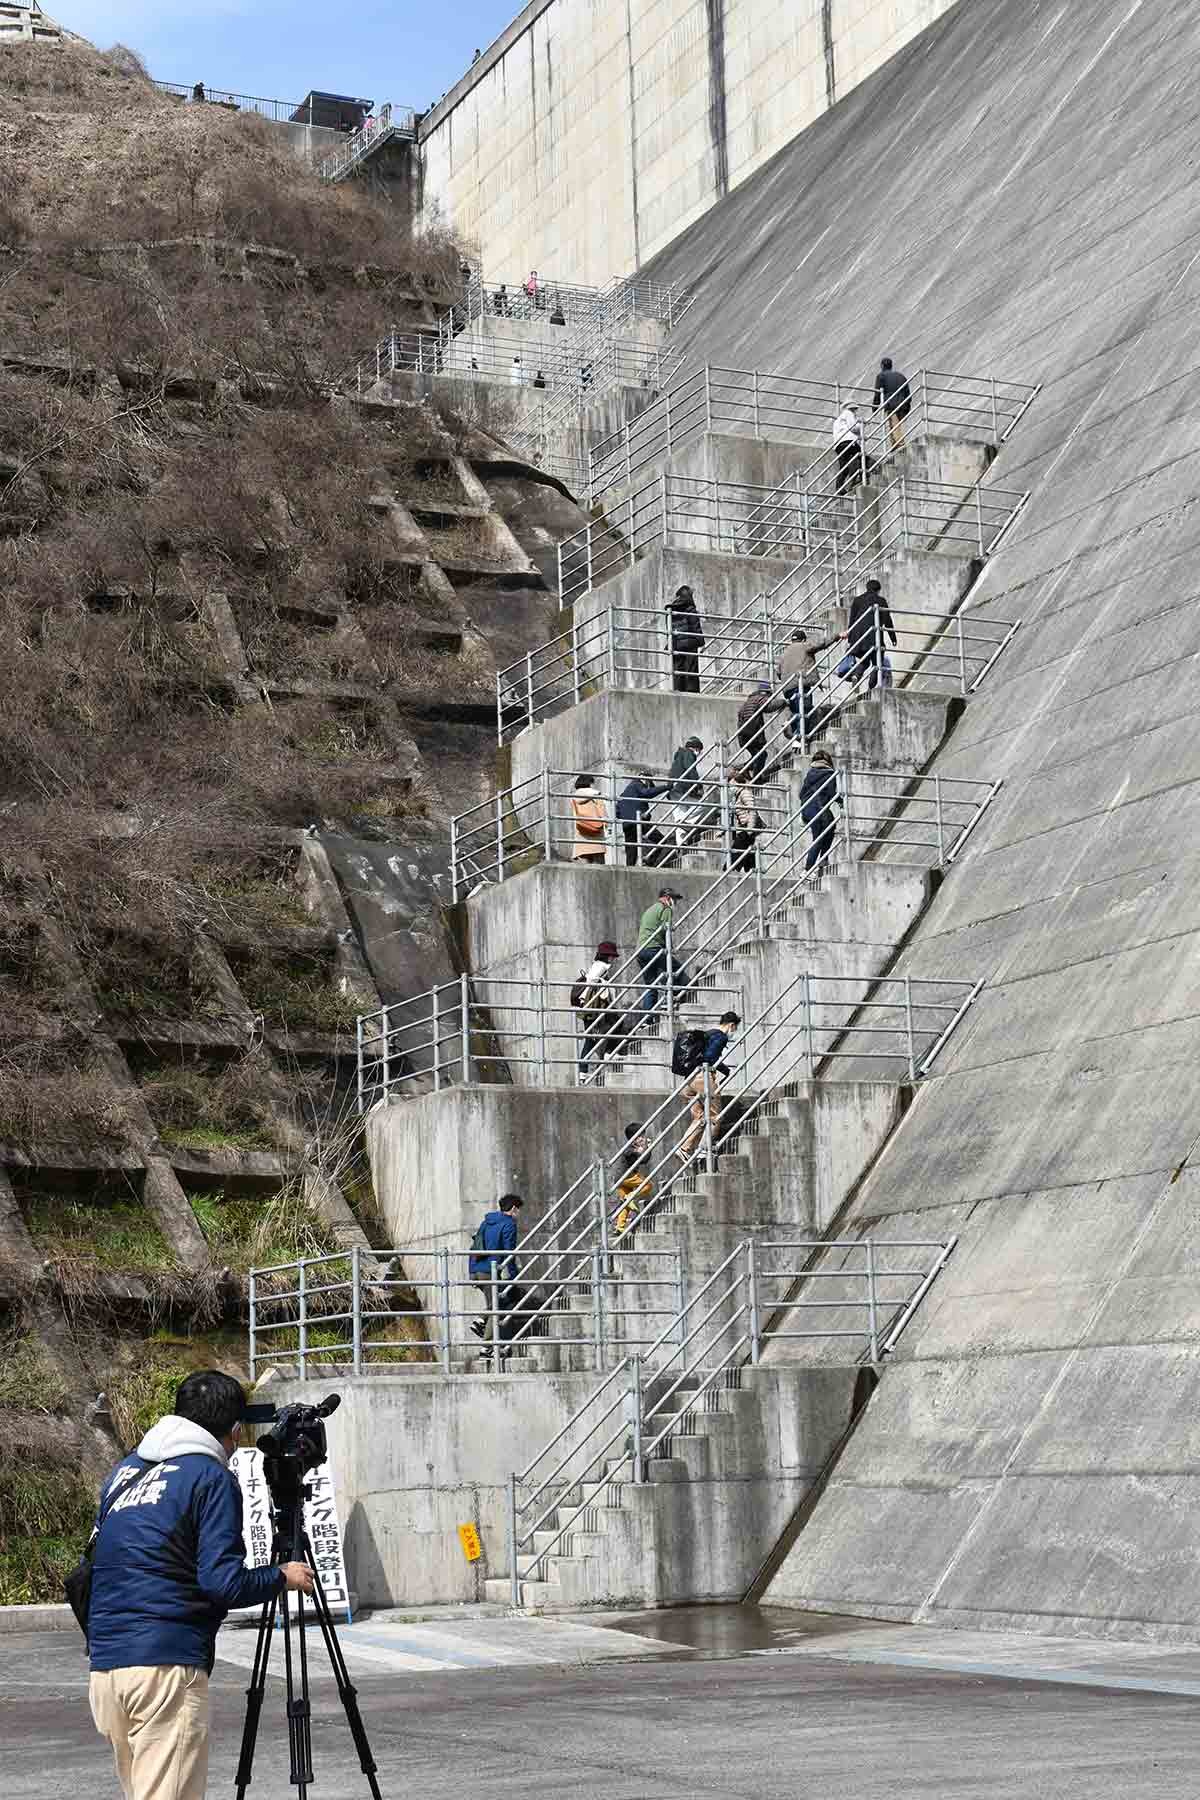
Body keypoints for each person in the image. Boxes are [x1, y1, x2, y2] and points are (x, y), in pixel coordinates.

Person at [87, 1371, 313, 1800]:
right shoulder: (209, 1478)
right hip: (165, 1669)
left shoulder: (124, 1472)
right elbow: (222, 1583)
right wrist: (282, 1576)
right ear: (233, 1430)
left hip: (107, 1670)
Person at [677, 1013, 740, 1163]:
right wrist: (716, 1069)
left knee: (699, 1118)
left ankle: (684, 1149)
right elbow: (710, 1057)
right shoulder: (721, 1037)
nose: (733, 1031)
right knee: (715, 1116)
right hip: (703, 1077)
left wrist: (725, 1070)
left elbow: (709, 1056)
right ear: (731, 1025)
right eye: (735, 1028)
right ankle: (704, 1149)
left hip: (689, 1079)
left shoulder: (708, 1034)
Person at [468, 1193, 522, 1331]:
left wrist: (472, 1271)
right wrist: (514, 1276)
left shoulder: (486, 1222)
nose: (519, 1214)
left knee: (496, 1303)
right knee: (497, 1306)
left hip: (477, 1269)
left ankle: (486, 1338)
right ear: (514, 1208)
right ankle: (482, 1328)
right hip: (489, 1271)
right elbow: (509, 1253)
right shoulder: (509, 1224)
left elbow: (475, 1245)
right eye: (519, 1210)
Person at [777, 627, 841, 741]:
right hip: (801, 685)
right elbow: (822, 643)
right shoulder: (804, 646)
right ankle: (799, 738)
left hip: (787, 688)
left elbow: (778, 672)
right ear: (803, 640)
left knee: (797, 712)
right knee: (805, 712)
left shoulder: (784, 653)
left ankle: (793, 730)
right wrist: (837, 635)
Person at [637, 888, 691, 1011]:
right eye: (675, 900)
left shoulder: (650, 909)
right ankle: (672, 1003)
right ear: (668, 898)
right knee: (677, 972)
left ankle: (647, 1021)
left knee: (651, 986)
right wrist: (671, 949)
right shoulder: (666, 909)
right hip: (654, 949)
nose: (675, 903)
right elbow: (666, 931)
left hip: (641, 951)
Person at [573, 940, 620, 1076]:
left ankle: (584, 1069)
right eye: (611, 956)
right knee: (612, 1025)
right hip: (595, 1006)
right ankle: (606, 1054)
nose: (613, 959)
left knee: (593, 1036)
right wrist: (604, 983)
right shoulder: (602, 966)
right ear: (606, 955)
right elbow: (593, 980)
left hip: (591, 1006)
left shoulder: (597, 965)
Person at [844, 578, 897, 690]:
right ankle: (871, 689)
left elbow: (852, 620)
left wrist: (850, 640)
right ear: (878, 590)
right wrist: (893, 637)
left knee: (865, 660)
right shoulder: (881, 601)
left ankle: (856, 676)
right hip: (874, 637)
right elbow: (887, 620)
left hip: (859, 637)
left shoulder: (857, 600)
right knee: (877, 664)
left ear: (867, 588)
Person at [799, 749, 841, 872]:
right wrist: (842, 801)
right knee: (819, 837)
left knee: (830, 826)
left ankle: (823, 859)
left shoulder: (810, 773)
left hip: (807, 809)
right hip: (819, 808)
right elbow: (832, 793)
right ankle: (808, 869)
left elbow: (801, 794)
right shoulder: (829, 774)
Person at [617, 769, 668, 865]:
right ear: (644, 778)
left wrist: (629, 814)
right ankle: (649, 861)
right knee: (661, 840)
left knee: (631, 851)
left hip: (627, 825)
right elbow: (647, 793)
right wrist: (666, 787)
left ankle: (630, 871)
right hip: (639, 822)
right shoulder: (637, 785)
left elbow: (617, 812)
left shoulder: (624, 794)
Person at [666, 735, 705, 856]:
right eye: (700, 750)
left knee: (679, 816)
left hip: (672, 788)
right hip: (681, 788)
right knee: (701, 805)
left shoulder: (679, 756)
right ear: (696, 748)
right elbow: (691, 769)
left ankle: (681, 845)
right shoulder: (689, 753)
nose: (699, 753)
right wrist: (699, 786)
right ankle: (687, 823)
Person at [737, 682, 782, 783]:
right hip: (752, 733)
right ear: (766, 693)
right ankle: (755, 778)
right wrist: (783, 702)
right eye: (770, 695)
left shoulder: (749, 700)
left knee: (757, 755)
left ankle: (745, 769)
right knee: (761, 755)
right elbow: (769, 707)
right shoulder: (760, 698)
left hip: (743, 734)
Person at [614, 1123, 653, 1235]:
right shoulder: (629, 1147)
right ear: (633, 1138)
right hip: (626, 1176)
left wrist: (648, 1148)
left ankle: (620, 1227)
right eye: (640, 1136)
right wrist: (638, 1151)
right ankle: (630, 1196)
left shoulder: (637, 1147)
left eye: (643, 1136)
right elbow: (627, 1152)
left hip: (622, 1180)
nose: (643, 1138)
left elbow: (644, 1160)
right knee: (648, 1185)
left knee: (625, 1204)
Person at [666, 584, 704, 692]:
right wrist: (701, 642)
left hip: (676, 645)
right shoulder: (690, 609)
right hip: (690, 644)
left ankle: (678, 692)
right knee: (691, 672)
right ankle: (692, 694)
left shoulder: (671, 611)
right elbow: (696, 628)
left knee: (678, 671)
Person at [873, 356, 912, 452]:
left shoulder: (881, 376)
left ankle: (901, 446)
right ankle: (895, 446)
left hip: (891, 405)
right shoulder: (901, 376)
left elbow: (878, 393)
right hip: (904, 404)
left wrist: (875, 407)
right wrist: (907, 404)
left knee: (894, 425)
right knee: (895, 425)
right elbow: (908, 394)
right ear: (891, 366)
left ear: (882, 366)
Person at [728, 768, 762, 872]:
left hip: (747, 827)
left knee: (735, 855)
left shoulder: (745, 793)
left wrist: (749, 829)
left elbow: (752, 810)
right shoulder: (738, 795)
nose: (730, 787)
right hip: (744, 827)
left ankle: (729, 872)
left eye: (731, 784)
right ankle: (753, 873)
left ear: (737, 782)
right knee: (748, 858)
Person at [570, 773, 608, 863]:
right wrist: (607, 824)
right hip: (596, 831)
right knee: (599, 866)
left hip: (582, 830)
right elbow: (602, 811)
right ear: (590, 783)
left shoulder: (574, 797)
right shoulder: (596, 794)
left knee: (584, 865)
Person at [831, 404, 864, 495]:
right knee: (860, 457)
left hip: (839, 445)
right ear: (852, 408)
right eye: (855, 409)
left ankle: (839, 487)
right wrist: (861, 425)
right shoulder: (849, 414)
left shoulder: (837, 421)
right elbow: (853, 427)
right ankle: (859, 478)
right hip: (849, 441)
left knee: (843, 466)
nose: (856, 411)